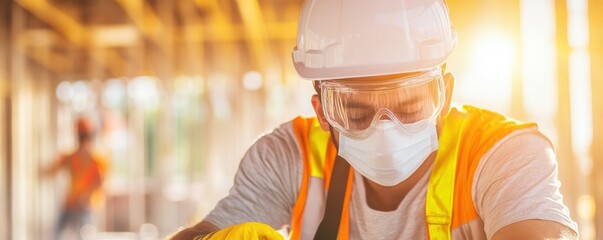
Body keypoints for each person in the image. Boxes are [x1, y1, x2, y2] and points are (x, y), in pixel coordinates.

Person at [170, 0, 578, 239]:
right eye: (358, 111)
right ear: (322, 114)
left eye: (408, 104)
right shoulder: (289, 155)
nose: (386, 127)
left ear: (446, 94)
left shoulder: (503, 155)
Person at [42, 116, 110, 240]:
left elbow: (101, 181)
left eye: (84, 136)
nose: (82, 141)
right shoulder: (71, 158)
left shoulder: (97, 161)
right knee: (57, 234)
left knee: (84, 235)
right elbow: (52, 170)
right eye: (80, 137)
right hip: (70, 204)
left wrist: (87, 195)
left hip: (86, 207)